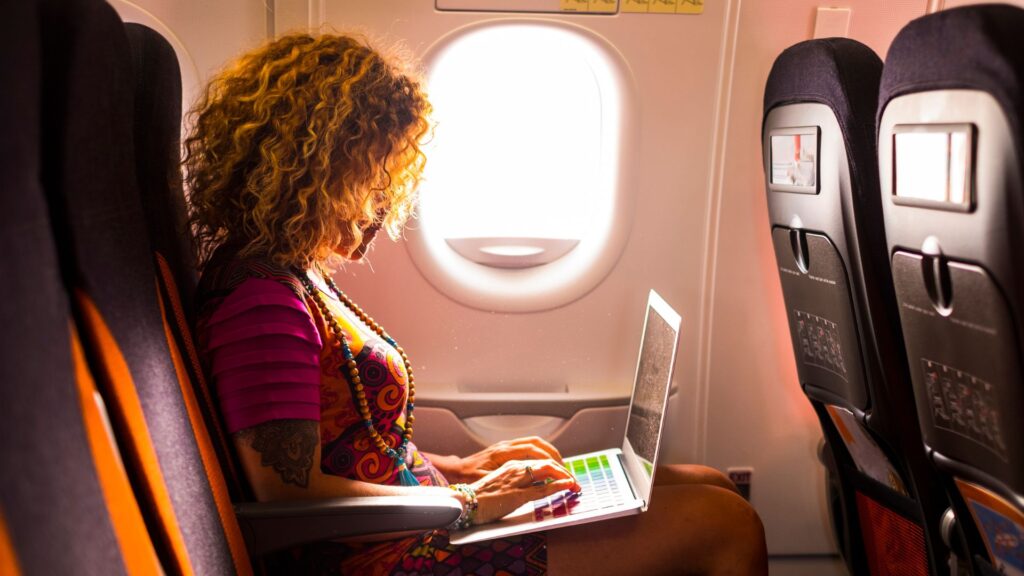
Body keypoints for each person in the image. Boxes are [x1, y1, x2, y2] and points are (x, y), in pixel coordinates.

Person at [187, 32, 767, 576]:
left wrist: (466, 466)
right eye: (369, 185)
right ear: (313, 172)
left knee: (707, 481)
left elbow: (362, 447)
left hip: (419, 521)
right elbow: (289, 497)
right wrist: (468, 500)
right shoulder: (259, 304)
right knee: (724, 521)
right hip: (381, 557)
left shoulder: (293, 276)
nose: (381, 211)